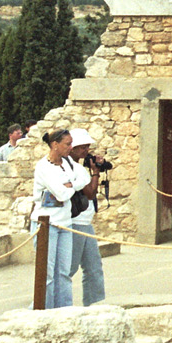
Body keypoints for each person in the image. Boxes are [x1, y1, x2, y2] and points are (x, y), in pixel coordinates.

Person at [32, 128, 88, 309]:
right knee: (47, 273)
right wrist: (68, 188)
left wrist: (71, 185)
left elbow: (84, 177)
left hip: (65, 223)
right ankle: (45, 309)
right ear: (55, 145)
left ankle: (64, 309)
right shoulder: (43, 166)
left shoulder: (68, 162)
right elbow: (61, 194)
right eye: (67, 144)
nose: (71, 148)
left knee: (64, 272)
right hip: (47, 223)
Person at [67, 129, 108, 305]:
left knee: (94, 267)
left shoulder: (77, 167)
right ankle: (52, 304)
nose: (86, 151)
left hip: (85, 221)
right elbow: (90, 193)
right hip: (76, 222)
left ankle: (94, 304)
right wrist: (96, 173)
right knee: (69, 268)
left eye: (87, 147)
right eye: (82, 147)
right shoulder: (72, 167)